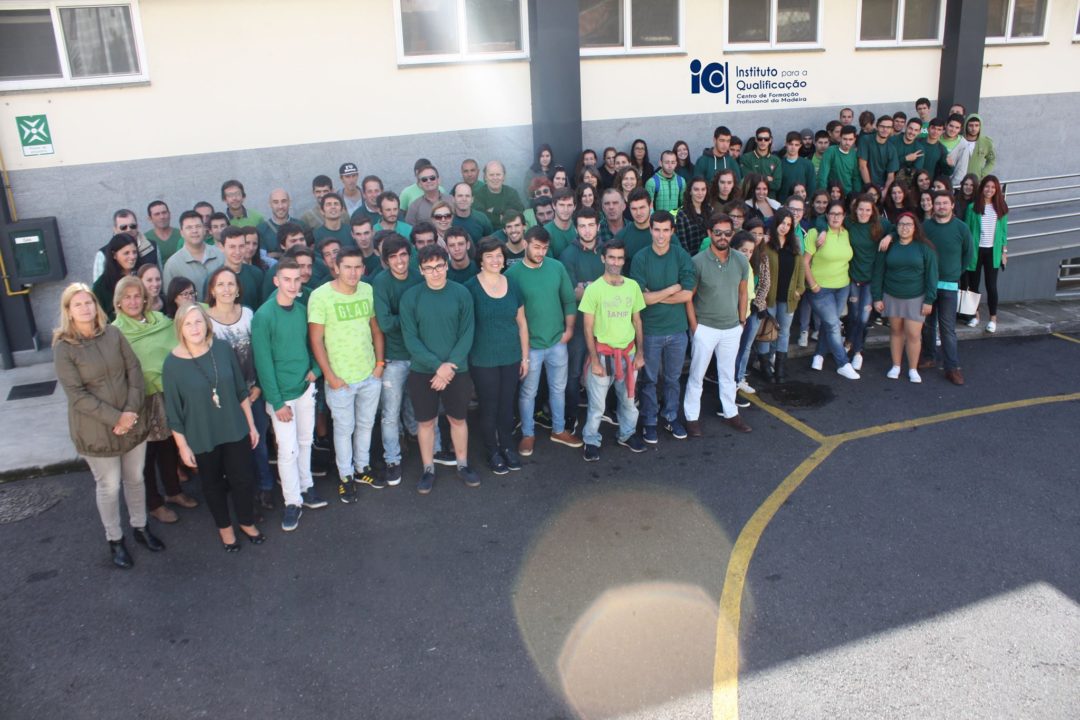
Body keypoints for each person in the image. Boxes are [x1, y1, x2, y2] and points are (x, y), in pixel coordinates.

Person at [54, 284, 163, 568]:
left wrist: (130, 411)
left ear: (96, 305)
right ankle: (115, 539)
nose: (85, 308)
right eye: (78, 304)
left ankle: (140, 527)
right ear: (68, 311)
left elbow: (134, 371)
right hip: (96, 430)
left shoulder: (113, 333)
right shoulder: (64, 348)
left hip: (131, 419)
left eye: (88, 302)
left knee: (135, 479)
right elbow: (77, 395)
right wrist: (117, 418)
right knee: (109, 486)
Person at [163, 303, 264, 551]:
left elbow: (240, 390)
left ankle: (246, 521)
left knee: (243, 478)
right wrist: (182, 446)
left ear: (206, 323)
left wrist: (251, 425)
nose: (194, 328)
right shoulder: (172, 364)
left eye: (198, 321)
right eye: (188, 323)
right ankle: (225, 528)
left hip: (234, 426)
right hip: (202, 433)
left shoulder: (222, 348)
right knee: (212, 483)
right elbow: (174, 412)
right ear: (180, 328)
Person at [111, 276, 196, 527]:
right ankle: (154, 503)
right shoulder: (115, 332)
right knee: (146, 455)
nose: (133, 301)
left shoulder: (161, 321)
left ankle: (173, 491)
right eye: (127, 297)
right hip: (138, 399)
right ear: (118, 302)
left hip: (167, 393)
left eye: (137, 296)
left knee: (169, 445)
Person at [400, 245, 479, 494]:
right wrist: (438, 367)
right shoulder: (411, 297)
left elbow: (467, 333)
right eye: (429, 268)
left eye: (439, 266)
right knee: (425, 422)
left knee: (458, 419)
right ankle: (428, 468)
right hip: (424, 370)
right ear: (421, 270)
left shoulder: (461, 293)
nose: (435, 272)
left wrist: (448, 367)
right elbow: (410, 338)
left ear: (447, 266)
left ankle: (463, 464)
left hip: (457, 369)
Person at [252, 258, 323, 530]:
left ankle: (306, 487)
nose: (293, 285)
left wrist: (316, 369)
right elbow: (263, 362)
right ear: (276, 281)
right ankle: (292, 501)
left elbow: (313, 343)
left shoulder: (303, 310)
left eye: (297, 279)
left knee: (305, 441)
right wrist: (277, 401)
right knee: (287, 449)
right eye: (287, 279)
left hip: (305, 387)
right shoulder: (264, 315)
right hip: (281, 396)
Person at [309, 247, 386, 494]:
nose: (353, 273)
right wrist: (330, 376)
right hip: (340, 379)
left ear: (363, 268)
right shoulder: (321, 296)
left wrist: (379, 365)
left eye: (357, 267)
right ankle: (346, 476)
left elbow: (376, 330)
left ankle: (362, 468)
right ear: (336, 268)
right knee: (344, 430)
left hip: (369, 374)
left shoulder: (367, 290)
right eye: (347, 267)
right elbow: (316, 340)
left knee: (366, 424)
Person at [506, 226, 582, 456]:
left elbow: (569, 300)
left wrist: (569, 329)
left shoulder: (556, 267)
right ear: (526, 244)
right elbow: (511, 314)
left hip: (558, 341)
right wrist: (521, 346)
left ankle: (558, 430)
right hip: (531, 346)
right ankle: (527, 434)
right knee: (528, 391)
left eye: (545, 248)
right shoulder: (513, 275)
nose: (540, 252)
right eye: (536, 247)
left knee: (558, 389)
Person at [205, 267, 277, 511]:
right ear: (212, 290)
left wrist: (259, 387)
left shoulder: (248, 314)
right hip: (226, 398)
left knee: (259, 443)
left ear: (238, 289)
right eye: (220, 284)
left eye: (231, 284)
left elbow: (261, 352)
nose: (226, 289)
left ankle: (266, 486)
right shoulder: (205, 321)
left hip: (253, 392)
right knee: (236, 450)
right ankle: (246, 494)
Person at [683, 214, 752, 436]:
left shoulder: (741, 260)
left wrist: (741, 321)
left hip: (732, 328)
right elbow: (688, 297)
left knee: (728, 374)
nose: (723, 237)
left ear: (733, 234)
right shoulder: (697, 262)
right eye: (718, 232)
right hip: (705, 328)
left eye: (727, 233)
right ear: (709, 233)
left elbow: (743, 293)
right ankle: (691, 417)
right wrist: (695, 327)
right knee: (696, 375)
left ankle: (731, 413)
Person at [579, 240, 647, 461]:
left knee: (628, 400)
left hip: (628, 354)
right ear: (603, 258)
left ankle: (627, 434)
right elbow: (587, 327)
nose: (616, 262)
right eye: (611, 257)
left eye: (619, 258)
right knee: (597, 405)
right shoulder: (594, 290)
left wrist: (640, 353)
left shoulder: (632, 286)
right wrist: (594, 360)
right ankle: (591, 439)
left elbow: (637, 321)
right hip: (603, 354)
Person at [466, 237, 529, 474]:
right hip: (483, 359)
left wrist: (525, 357)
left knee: (506, 405)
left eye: (499, 255)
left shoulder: (512, 284)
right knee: (489, 405)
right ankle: (492, 450)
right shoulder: (470, 287)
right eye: (489, 256)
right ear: (481, 260)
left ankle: (507, 447)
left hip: (511, 356)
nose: (495, 260)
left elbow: (522, 323)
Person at [630, 210, 694, 443]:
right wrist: (671, 289)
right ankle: (649, 420)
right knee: (649, 380)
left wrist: (655, 296)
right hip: (650, 331)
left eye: (666, 230)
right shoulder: (641, 258)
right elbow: (640, 298)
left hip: (677, 330)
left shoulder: (680, 255)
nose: (660, 235)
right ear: (650, 230)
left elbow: (687, 294)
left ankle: (670, 416)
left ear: (672, 231)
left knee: (673, 378)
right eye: (656, 229)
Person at [872, 212, 938, 382]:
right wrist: (877, 297)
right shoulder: (888, 246)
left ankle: (913, 369)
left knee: (913, 335)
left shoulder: (924, 247)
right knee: (895, 332)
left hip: (916, 297)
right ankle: (896, 365)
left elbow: (932, 276)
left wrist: (929, 300)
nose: (904, 228)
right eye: (901, 224)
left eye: (909, 224)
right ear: (896, 227)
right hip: (891, 295)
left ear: (915, 227)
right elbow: (878, 272)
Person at [917, 191, 974, 385]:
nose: (941, 206)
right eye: (938, 203)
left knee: (947, 328)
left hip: (949, 285)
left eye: (944, 203)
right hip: (928, 284)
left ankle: (952, 367)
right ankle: (929, 356)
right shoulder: (926, 227)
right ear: (933, 206)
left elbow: (968, 254)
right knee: (928, 325)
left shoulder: (961, 228)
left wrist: (956, 272)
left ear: (952, 205)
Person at [803, 201, 861, 379]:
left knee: (830, 323)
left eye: (839, 214)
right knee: (834, 325)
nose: (836, 217)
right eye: (832, 213)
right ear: (827, 215)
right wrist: (813, 284)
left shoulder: (846, 234)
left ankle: (819, 355)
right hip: (820, 288)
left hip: (842, 287)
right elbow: (804, 262)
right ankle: (842, 363)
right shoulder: (815, 233)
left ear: (844, 216)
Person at [558, 207, 605, 422]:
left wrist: (586, 286)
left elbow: (615, 285)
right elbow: (572, 293)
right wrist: (600, 287)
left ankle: (605, 412)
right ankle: (571, 416)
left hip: (604, 322)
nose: (587, 230)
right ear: (576, 229)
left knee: (606, 369)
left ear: (598, 226)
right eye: (582, 226)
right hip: (578, 323)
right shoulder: (568, 254)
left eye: (591, 225)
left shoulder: (606, 250)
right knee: (574, 372)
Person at [757, 209, 804, 383]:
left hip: (789, 297)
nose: (785, 227)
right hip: (769, 297)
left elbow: (800, 269)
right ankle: (764, 367)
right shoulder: (767, 244)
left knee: (784, 333)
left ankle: (780, 368)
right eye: (782, 223)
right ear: (776, 223)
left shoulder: (795, 244)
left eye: (788, 224)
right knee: (766, 331)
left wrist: (800, 289)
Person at [845, 195, 892, 371]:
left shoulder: (881, 224)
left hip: (871, 279)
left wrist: (889, 237)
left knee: (863, 318)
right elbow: (826, 221)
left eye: (867, 210)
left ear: (873, 211)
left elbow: (898, 227)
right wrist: (824, 231)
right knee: (852, 316)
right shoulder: (849, 223)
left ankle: (858, 351)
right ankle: (849, 341)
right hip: (853, 277)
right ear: (855, 209)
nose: (864, 213)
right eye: (860, 209)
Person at [964, 175, 1008, 333]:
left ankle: (992, 319)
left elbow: (1003, 233)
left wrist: (1004, 252)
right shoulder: (972, 208)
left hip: (992, 251)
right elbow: (967, 231)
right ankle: (975, 316)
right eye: (987, 186)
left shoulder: (1001, 208)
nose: (990, 190)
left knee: (991, 286)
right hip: (976, 251)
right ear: (982, 188)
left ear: (997, 190)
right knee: (973, 286)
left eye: (993, 187)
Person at [732, 231, 771, 391]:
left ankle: (737, 380)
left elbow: (759, 287)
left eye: (750, 251)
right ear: (735, 248)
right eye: (744, 250)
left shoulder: (747, 265)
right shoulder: (731, 267)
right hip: (732, 319)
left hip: (747, 314)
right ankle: (732, 386)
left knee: (744, 347)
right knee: (732, 353)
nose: (747, 254)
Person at [163, 210, 225, 298]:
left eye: (198, 226)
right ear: (181, 233)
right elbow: (169, 298)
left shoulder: (220, 255)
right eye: (189, 227)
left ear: (204, 229)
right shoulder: (172, 265)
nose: (194, 231)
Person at [93, 234, 141, 321]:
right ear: (114, 255)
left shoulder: (142, 275)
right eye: (126, 253)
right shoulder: (101, 285)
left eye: (134, 252)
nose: (132, 257)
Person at [474, 161, 525, 228]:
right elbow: (479, 217)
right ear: (485, 177)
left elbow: (519, 213)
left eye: (498, 174)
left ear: (504, 176)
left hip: (510, 231)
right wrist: (501, 216)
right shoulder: (478, 194)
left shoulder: (512, 193)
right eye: (491, 175)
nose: (495, 178)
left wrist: (494, 210)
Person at [817, 125, 862, 195]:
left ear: (854, 140)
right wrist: (823, 195)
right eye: (845, 139)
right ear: (840, 138)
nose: (847, 142)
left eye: (850, 139)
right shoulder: (830, 151)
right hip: (833, 195)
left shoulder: (854, 154)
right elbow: (822, 176)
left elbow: (856, 178)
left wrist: (856, 195)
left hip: (849, 195)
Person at [859, 115, 899, 190]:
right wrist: (870, 188)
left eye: (888, 127)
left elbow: (890, 176)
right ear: (876, 127)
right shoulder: (865, 140)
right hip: (865, 185)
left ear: (891, 130)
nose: (885, 129)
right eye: (882, 126)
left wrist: (885, 190)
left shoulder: (892, 149)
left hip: (882, 187)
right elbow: (862, 166)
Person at [674, 177, 712, 255]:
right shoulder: (682, 214)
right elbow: (682, 244)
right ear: (690, 192)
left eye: (703, 189)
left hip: (709, 257)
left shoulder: (710, 210)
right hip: (692, 257)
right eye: (696, 189)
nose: (700, 193)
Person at [615, 188, 654, 262]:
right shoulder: (621, 237)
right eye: (634, 209)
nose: (638, 213)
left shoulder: (664, 233)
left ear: (651, 205)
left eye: (642, 207)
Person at [741, 127, 782, 197]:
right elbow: (748, 182)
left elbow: (776, 185)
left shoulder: (776, 160)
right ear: (756, 140)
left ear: (770, 140)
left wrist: (755, 177)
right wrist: (767, 178)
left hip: (770, 200)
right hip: (751, 199)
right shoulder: (746, 158)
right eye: (760, 139)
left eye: (766, 139)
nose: (763, 141)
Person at [777, 131, 816, 202]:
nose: (793, 147)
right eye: (791, 144)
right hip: (783, 204)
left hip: (802, 204)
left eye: (796, 145)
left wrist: (808, 202)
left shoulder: (808, 164)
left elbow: (811, 187)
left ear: (800, 145)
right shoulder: (779, 164)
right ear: (786, 144)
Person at [544, 188, 577, 257]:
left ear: (574, 207)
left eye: (569, 205)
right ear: (554, 206)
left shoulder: (580, 227)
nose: (565, 210)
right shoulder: (545, 232)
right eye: (561, 205)